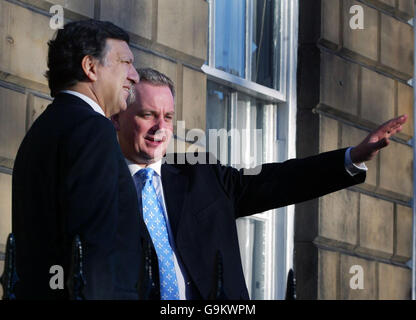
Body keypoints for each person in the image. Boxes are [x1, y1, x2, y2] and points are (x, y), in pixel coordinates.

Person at [113, 67, 407, 300]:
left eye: (168, 117)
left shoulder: (201, 175)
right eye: (147, 114)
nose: (160, 128)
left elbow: (280, 180)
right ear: (117, 119)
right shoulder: (100, 183)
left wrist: (352, 157)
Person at [11, 19, 147, 299]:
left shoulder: (42, 129)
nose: (134, 76)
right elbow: (93, 246)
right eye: (125, 62)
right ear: (90, 67)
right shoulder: (94, 129)